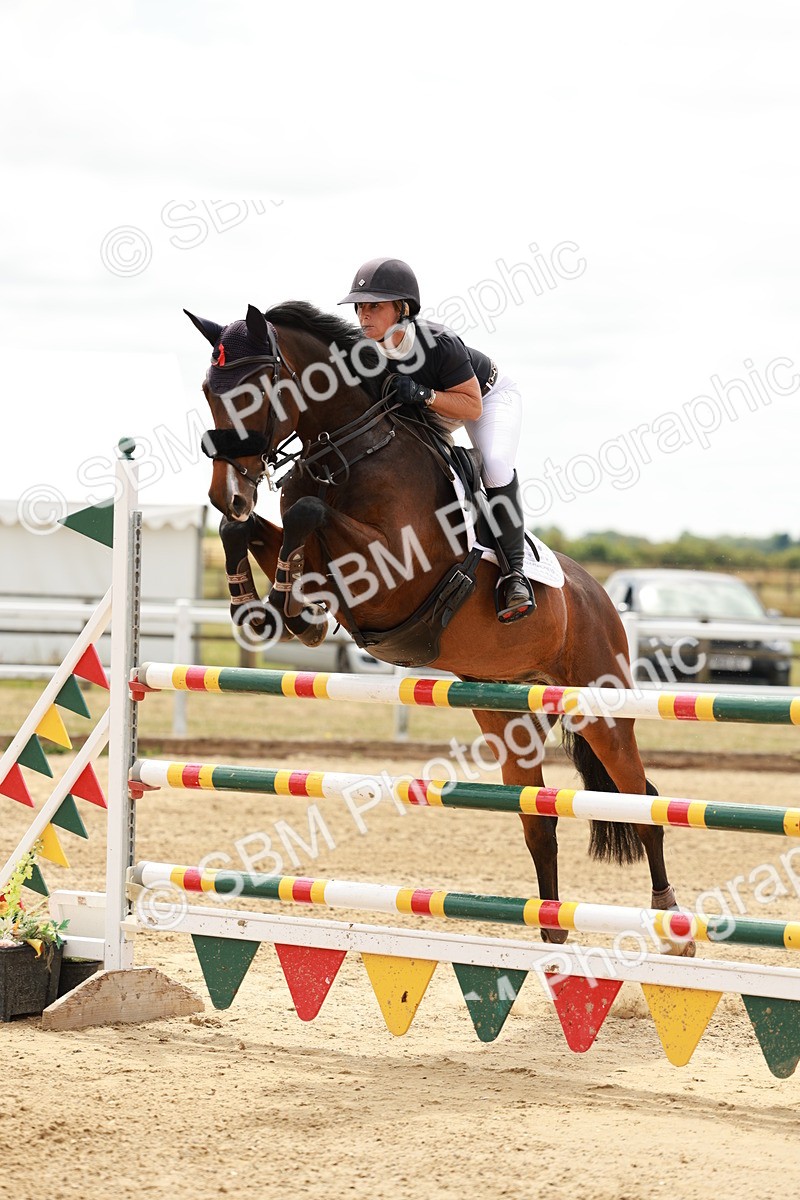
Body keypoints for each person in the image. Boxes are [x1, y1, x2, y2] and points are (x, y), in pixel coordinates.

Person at [339, 256, 534, 622]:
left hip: (486, 397)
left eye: (374, 306)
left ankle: (514, 574)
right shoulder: (360, 350)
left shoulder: (438, 342)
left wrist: (424, 394)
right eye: (360, 307)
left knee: (493, 466)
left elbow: (471, 407)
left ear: (402, 308)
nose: (364, 315)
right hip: (428, 409)